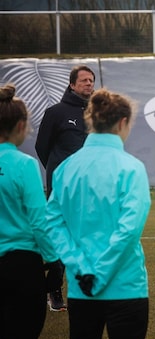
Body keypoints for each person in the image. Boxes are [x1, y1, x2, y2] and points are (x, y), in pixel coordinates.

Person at [45, 88, 151, 339]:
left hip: (82, 288)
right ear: (123, 122)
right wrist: (100, 274)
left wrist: (81, 268)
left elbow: (53, 224)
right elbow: (128, 231)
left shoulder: (67, 167)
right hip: (125, 286)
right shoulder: (132, 167)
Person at [0, 84, 60, 339]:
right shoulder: (24, 164)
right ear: (21, 125)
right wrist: (55, 263)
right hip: (22, 267)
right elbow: (39, 220)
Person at [35, 64, 96, 311]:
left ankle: (86, 286)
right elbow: (42, 147)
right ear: (72, 84)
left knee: (88, 236)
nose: (89, 84)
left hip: (90, 188)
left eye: (91, 80)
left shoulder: (97, 113)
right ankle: (54, 290)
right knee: (59, 238)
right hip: (62, 188)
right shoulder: (56, 112)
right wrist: (58, 172)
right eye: (83, 80)